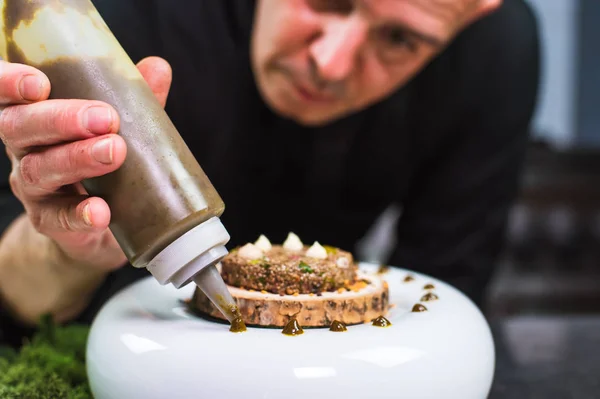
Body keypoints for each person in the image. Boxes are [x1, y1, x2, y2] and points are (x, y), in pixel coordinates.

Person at [0, 0, 539, 346]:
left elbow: (444, 297)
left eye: (399, 41)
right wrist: (67, 252)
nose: (330, 62)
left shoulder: (493, 52)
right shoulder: (89, 21)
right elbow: (14, 299)